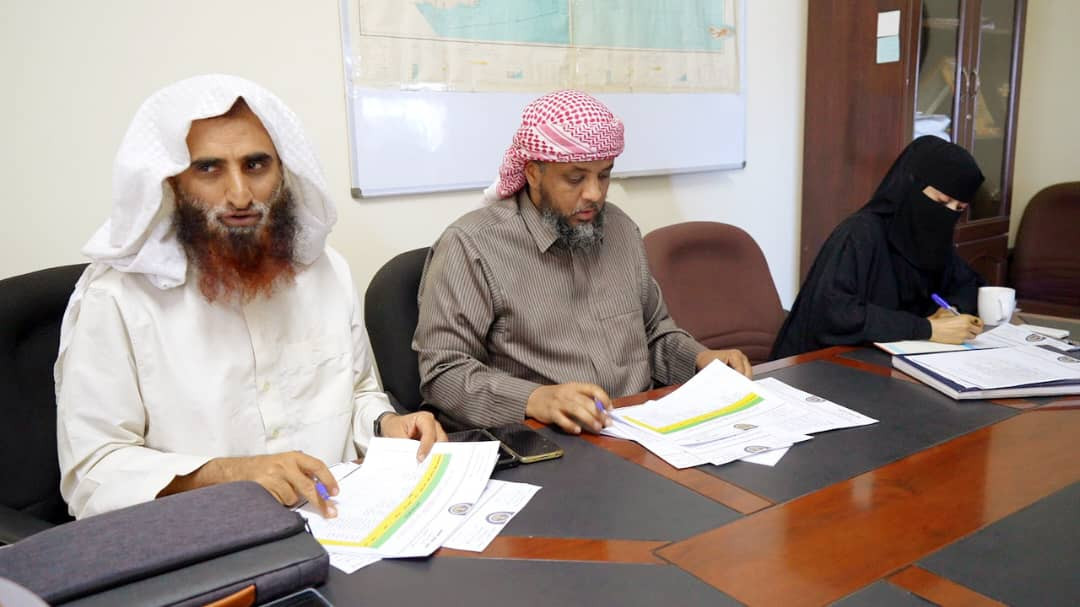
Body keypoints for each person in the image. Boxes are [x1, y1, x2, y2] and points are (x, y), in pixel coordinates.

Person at [56, 75, 446, 520]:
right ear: (172, 181)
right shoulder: (117, 298)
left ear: (282, 171)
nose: (239, 194)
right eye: (209, 169)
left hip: (341, 519)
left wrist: (386, 424)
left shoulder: (324, 271)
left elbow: (356, 393)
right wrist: (232, 474)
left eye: (256, 165)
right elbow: (93, 472)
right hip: (207, 533)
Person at [414, 89, 751, 435]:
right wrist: (535, 399)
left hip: (638, 428)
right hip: (545, 439)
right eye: (575, 178)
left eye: (604, 175)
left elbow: (653, 333)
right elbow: (444, 373)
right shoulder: (472, 245)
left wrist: (700, 359)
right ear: (533, 173)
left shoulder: (620, 229)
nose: (594, 193)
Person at [771, 136, 986, 359]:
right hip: (820, 364)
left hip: (892, 359)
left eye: (958, 208)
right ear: (912, 185)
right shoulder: (860, 233)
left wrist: (950, 311)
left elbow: (968, 285)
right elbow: (834, 313)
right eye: (941, 202)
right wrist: (926, 329)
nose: (948, 214)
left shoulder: (935, 241)